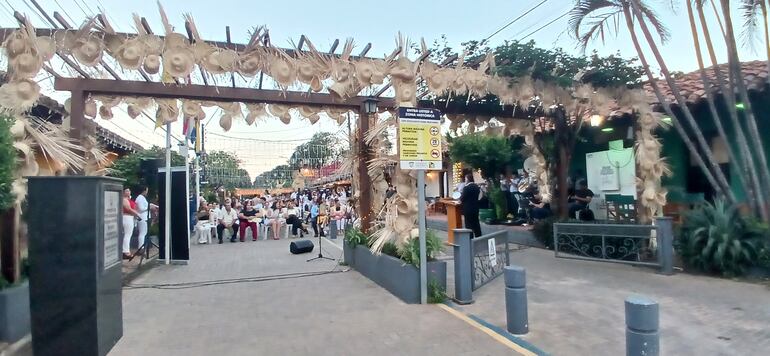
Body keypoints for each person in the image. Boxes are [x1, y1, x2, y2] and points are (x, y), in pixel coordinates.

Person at [460, 173, 482, 238]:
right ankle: (478, 237)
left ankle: (470, 237)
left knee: (468, 224)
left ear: (468, 179)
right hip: (475, 208)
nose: (465, 180)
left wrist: (460, 200)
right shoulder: (477, 187)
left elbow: (462, 198)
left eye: (466, 179)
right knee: (476, 223)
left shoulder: (466, 188)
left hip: (468, 208)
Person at [121, 188, 141, 259]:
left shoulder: (129, 200)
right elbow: (128, 209)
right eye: (127, 191)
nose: (129, 192)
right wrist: (137, 214)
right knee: (128, 234)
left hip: (129, 217)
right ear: (123, 192)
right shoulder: (124, 199)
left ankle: (125, 250)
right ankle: (126, 252)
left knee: (127, 234)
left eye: (129, 190)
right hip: (126, 217)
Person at [134, 186, 150, 255]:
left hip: (144, 217)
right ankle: (141, 248)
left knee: (143, 233)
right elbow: (141, 208)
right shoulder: (140, 198)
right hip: (142, 217)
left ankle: (142, 248)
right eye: (146, 190)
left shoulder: (142, 198)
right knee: (142, 233)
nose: (147, 192)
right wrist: (149, 207)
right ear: (144, 191)